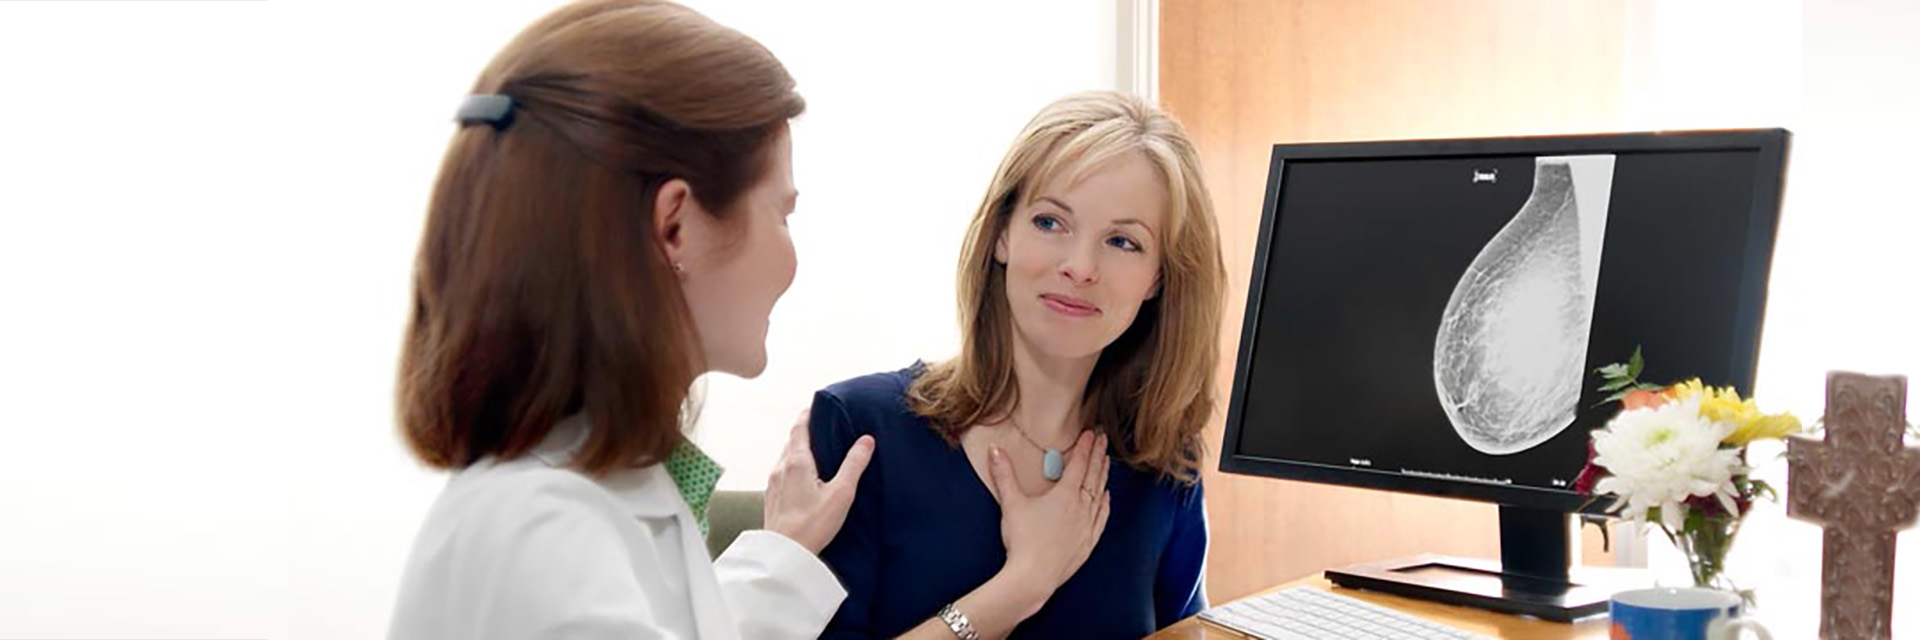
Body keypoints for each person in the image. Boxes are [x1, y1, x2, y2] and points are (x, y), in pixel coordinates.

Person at [386, 2, 873, 638]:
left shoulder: (584, 503)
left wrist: (783, 554)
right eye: (782, 214)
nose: (791, 259)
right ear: (674, 225)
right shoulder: (543, 535)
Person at [810, 91, 1228, 638]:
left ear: (1159, 278)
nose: (1080, 267)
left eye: (1123, 241)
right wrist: (1023, 584)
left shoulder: (1164, 461)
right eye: (1051, 223)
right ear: (1003, 232)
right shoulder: (860, 430)